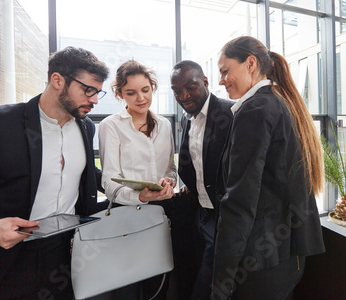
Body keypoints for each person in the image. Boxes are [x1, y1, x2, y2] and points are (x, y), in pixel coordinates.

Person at [0, 46, 109, 299]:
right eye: (87, 90)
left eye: (97, 92)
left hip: (64, 254)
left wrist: (133, 191)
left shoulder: (86, 127)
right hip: (5, 256)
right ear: (57, 80)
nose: (94, 100)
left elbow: (86, 177)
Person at [211, 36, 325, 300]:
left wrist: (221, 279)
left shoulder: (255, 109)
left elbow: (240, 202)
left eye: (225, 71)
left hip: (261, 261)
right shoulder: (279, 101)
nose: (221, 80)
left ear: (250, 63)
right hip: (286, 256)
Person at [98, 60, 175, 299]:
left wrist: (168, 182)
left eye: (145, 90)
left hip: (160, 213)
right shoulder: (110, 126)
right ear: (120, 93)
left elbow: (170, 169)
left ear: (152, 88)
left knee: (158, 283)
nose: (140, 98)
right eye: (131, 92)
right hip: (127, 214)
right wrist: (137, 195)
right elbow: (108, 181)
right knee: (127, 286)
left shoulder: (164, 124)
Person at [170, 60, 234, 300]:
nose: (183, 95)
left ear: (206, 82)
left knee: (207, 287)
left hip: (224, 217)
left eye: (190, 87)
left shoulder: (231, 113)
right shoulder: (187, 118)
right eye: (177, 90)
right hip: (199, 213)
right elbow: (194, 161)